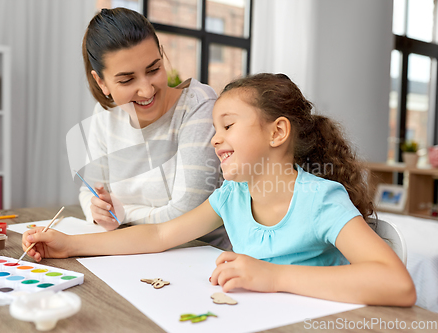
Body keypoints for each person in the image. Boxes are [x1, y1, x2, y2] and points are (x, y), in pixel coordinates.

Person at [24, 73, 416, 306]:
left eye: (227, 126)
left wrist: (273, 276)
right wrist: (70, 245)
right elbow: (161, 234)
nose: (215, 139)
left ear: (278, 132)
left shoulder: (320, 199)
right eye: (214, 128)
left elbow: (397, 285)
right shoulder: (233, 195)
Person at [78, 7, 229, 248]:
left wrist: (122, 214)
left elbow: (184, 215)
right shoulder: (104, 116)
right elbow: (89, 192)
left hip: (197, 256)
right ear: (101, 82)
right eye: (127, 80)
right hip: (131, 254)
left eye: (154, 69)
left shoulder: (197, 106)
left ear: (161, 54)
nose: (147, 90)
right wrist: (98, 210)